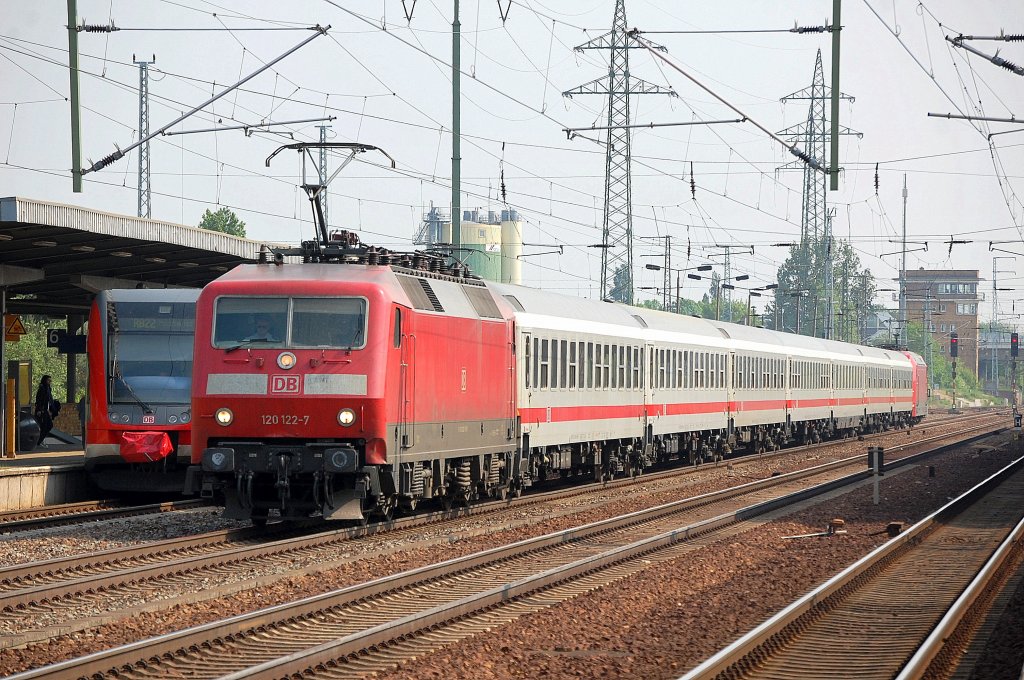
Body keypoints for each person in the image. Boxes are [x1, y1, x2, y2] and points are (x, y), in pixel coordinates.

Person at [34, 375, 59, 445]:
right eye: (48, 380)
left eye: (50, 381)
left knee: (48, 425)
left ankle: (39, 440)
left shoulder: (48, 389)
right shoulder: (42, 388)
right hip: (41, 410)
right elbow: (39, 400)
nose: (50, 382)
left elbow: (48, 400)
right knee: (44, 425)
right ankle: (38, 441)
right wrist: (39, 409)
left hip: (45, 410)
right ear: (45, 380)